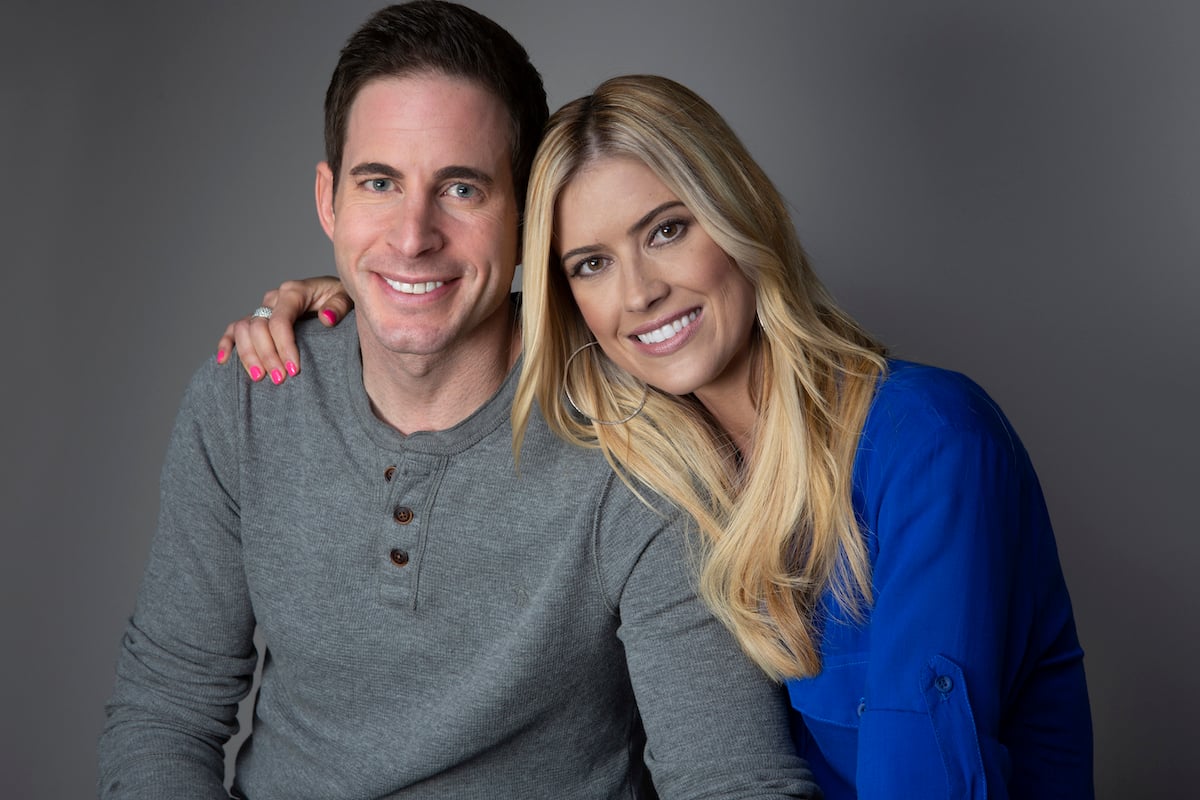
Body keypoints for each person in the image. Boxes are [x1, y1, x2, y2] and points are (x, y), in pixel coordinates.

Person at [231, 74, 1094, 798]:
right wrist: (349, 300)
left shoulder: (932, 445)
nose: (638, 293)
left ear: (740, 215)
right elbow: (465, 318)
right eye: (591, 265)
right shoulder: (646, 453)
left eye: (668, 230)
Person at [99, 5, 823, 799]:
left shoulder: (638, 445)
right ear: (329, 199)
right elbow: (165, 711)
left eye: (461, 188)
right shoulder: (247, 398)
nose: (414, 236)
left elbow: (731, 778)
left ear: (526, 221)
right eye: (380, 183)